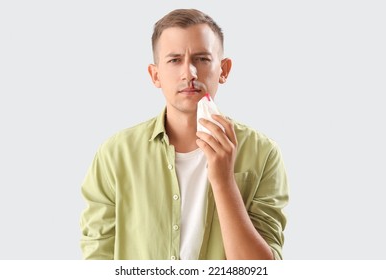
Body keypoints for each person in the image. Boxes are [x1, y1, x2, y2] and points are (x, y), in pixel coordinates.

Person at [80, 8, 289, 260]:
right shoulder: (115, 154)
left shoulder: (263, 153)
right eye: (175, 60)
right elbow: (96, 258)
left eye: (202, 59)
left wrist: (224, 182)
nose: (189, 73)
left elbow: (263, 271)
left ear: (224, 70)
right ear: (155, 75)